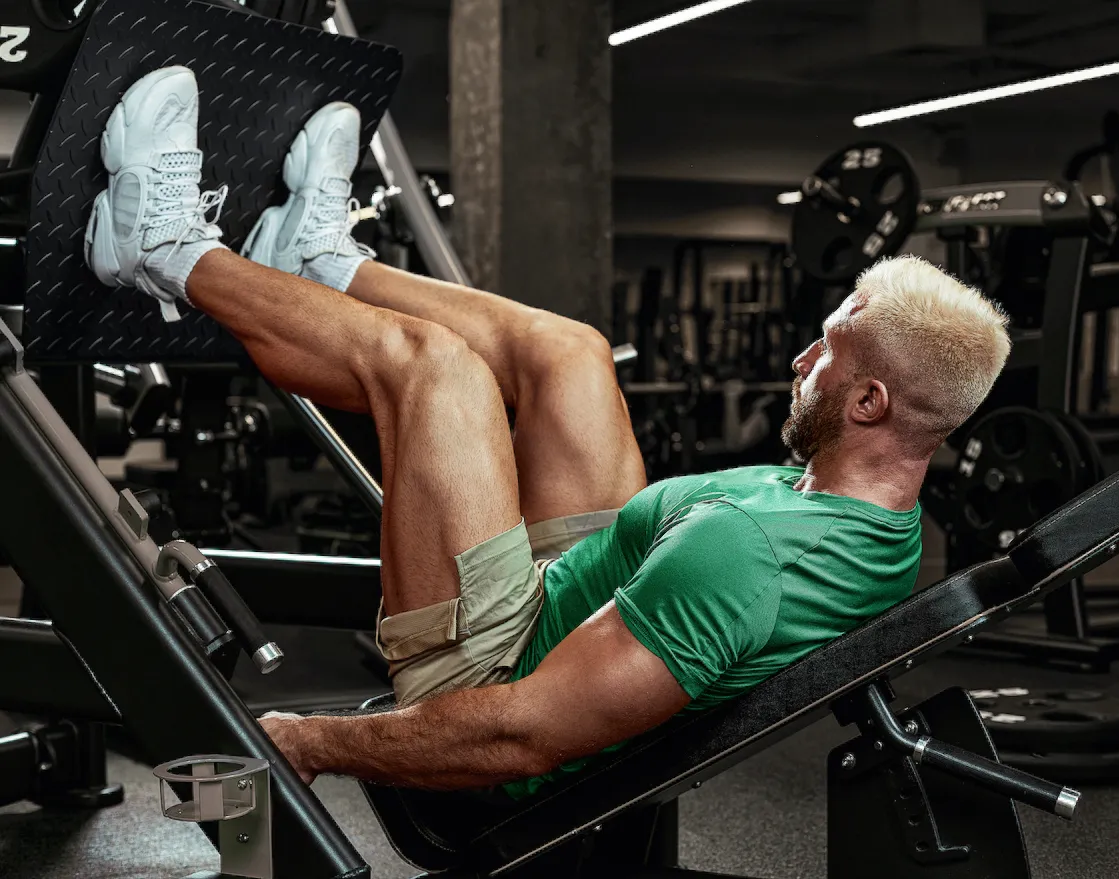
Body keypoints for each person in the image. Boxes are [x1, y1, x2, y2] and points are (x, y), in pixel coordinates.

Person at [84, 67, 1012, 799]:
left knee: (439, 370)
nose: (803, 356)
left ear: (869, 406)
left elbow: (519, 732)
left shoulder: (749, 554)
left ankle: (158, 246)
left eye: (830, 350)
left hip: (485, 676)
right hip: (578, 592)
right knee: (571, 353)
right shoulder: (884, 524)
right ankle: (322, 261)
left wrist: (311, 739)